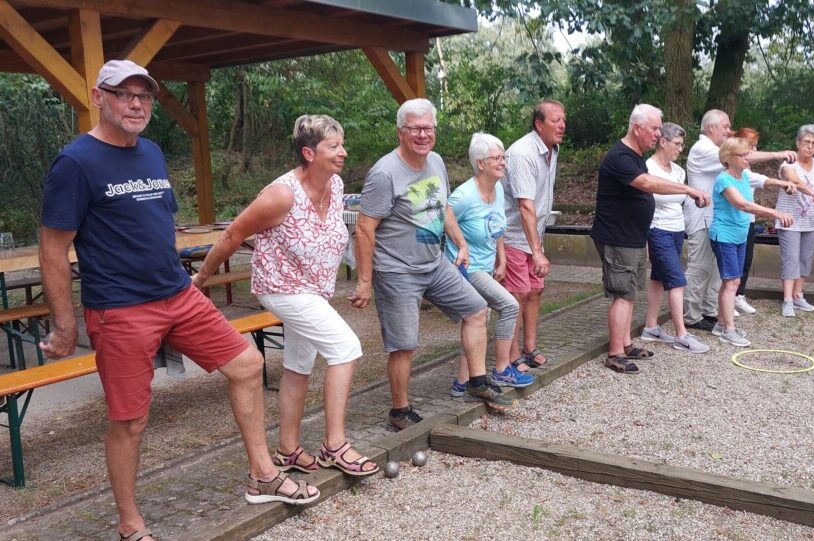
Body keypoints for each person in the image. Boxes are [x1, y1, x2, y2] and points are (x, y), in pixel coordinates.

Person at [38, 60, 318, 541]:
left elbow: (156, 225)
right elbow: (51, 246)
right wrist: (65, 325)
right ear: (98, 96)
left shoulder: (150, 152)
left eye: (143, 96)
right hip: (121, 307)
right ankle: (130, 524)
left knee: (248, 365)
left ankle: (262, 475)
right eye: (123, 94)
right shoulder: (76, 162)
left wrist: (183, 278)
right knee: (130, 420)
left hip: (176, 293)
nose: (135, 104)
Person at [194, 115, 378, 478]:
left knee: (298, 366)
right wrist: (201, 276)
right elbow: (232, 235)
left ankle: (288, 449)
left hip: (312, 291)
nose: (343, 152)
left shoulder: (336, 185)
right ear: (309, 152)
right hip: (282, 289)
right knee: (345, 347)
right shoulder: (281, 194)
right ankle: (334, 445)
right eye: (333, 146)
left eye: (342, 144)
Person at [350, 98, 514, 431]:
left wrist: (461, 242)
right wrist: (365, 281)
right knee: (404, 344)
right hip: (397, 269)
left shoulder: (435, 162)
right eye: (415, 128)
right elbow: (364, 229)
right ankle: (400, 410)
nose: (423, 134)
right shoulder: (384, 173)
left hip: (434, 262)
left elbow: (443, 208)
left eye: (428, 128)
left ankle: (477, 381)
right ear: (400, 132)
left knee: (476, 308)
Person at [591, 104, 709, 374]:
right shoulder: (620, 156)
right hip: (617, 237)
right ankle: (615, 353)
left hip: (633, 236)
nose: (658, 134)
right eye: (654, 128)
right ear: (637, 128)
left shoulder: (635, 155)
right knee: (621, 294)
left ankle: (627, 343)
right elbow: (648, 184)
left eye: (659, 128)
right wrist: (688, 189)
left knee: (630, 292)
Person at [446, 133, 534, 396]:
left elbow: (497, 227)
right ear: (480, 163)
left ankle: (462, 382)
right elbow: (445, 219)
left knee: (477, 320)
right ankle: (502, 368)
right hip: (466, 269)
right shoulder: (464, 195)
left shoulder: (496, 189)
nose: (503, 162)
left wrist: (502, 259)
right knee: (509, 305)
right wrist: (460, 247)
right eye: (497, 158)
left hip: (487, 266)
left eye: (503, 157)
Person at [709, 137, 794, 347]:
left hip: (738, 236)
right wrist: (775, 212)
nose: (748, 158)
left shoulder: (744, 176)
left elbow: (764, 181)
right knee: (732, 283)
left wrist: (784, 184)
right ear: (729, 158)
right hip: (724, 236)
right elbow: (743, 205)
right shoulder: (723, 180)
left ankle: (721, 323)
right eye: (743, 155)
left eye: (748, 154)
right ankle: (728, 330)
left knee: (731, 281)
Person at [501, 100, 565, 370]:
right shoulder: (522, 153)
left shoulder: (552, 149)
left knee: (536, 291)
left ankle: (530, 347)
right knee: (517, 294)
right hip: (514, 236)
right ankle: (512, 355)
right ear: (539, 124)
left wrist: (537, 246)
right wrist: (537, 251)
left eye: (564, 120)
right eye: (555, 121)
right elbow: (525, 205)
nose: (562, 126)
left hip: (533, 236)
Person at [639, 122, 709, 354]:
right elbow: (650, 197)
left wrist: (696, 199)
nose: (681, 148)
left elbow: (681, 199)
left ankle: (651, 327)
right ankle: (682, 335)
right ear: (663, 142)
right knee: (677, 280)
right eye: (677, 144)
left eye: (682, 144)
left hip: (677, 230)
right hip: (657, 230)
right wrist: (647, 239)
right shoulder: (647, 167)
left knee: (659, 279)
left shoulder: (678, 171)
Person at [729, 127, 799, 316]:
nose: (753, 151)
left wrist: (780, 183)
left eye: (754, 146)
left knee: (746, 261)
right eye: (750, 147)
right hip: (732, 222)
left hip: (748, 220)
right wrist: (779, 155)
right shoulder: (730, 167)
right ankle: (727, 300)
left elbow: (758, 178)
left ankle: (738, 296)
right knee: (731, 264)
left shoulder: (745, 167)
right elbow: (755, 180)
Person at [682, 110, 731, 331]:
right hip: (700, 218)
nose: (729, 131)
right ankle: (690, 316)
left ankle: (708, 311)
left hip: (714, 219)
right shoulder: (703, 149)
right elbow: (736, 157)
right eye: (725, 126)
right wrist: (778, 154)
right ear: (711, 128)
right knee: (699, 267)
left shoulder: (715, 149)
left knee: (714, 269)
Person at [775, 124, 814, 317]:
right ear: (798, 143)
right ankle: (787, 299)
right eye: (806, 142)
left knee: (806, 258)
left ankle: (798, 295)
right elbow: (795, 182)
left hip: (811, 220)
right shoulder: (788, 164)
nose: (810, 146)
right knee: (790, 259)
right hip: (790, 219)